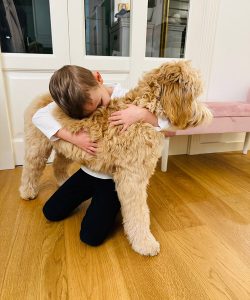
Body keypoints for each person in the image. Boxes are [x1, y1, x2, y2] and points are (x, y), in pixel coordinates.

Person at [32, 65, 169, 247]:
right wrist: (74, 137)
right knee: (50, 212)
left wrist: (141, 114)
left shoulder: (126, 95)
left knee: (90, 237)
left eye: (99, 103)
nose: (98, 110)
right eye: (87, 114)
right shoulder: (73, 101)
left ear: (98, 78)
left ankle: (116, 203)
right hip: (87, 173)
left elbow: (167, 121)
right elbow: (39, 116)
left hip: (113, 180)